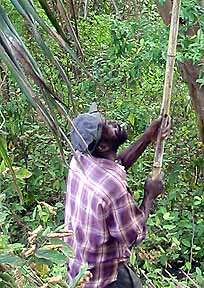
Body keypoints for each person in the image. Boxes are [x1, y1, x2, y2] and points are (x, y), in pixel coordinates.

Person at [64, 103, 170, 288]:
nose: (112, 123)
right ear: (103, 146)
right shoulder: (112, 186)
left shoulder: (80, 159)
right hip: (101, 279)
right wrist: (150, 195)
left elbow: (117, 164)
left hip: (79, 268)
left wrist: (147, 137)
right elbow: (134, 234)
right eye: (106, 127)